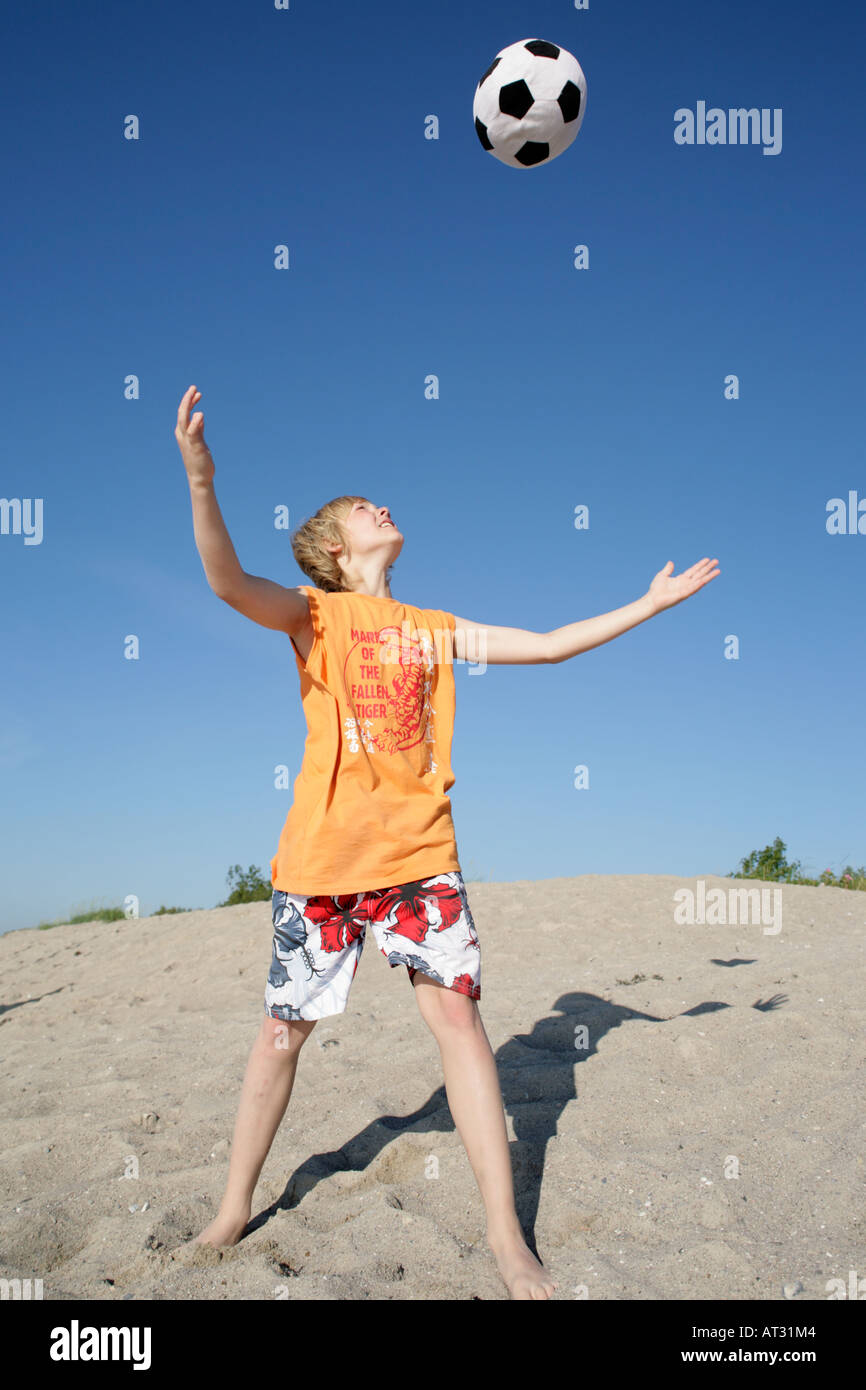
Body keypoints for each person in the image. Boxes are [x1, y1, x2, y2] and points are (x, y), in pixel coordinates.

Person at [174, 384, 720, 1299]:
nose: (379, 506)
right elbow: (228, 582)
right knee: (279, 1037)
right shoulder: (314, 615)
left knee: (459, 1021)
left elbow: (546, 646)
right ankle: (233, 1207)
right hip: (320, 865)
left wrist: (647, 605)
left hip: (421, 860)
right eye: (361, 507)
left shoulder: (433, 631)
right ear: (338, 550)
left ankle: (508, 1241)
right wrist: (201, 481)